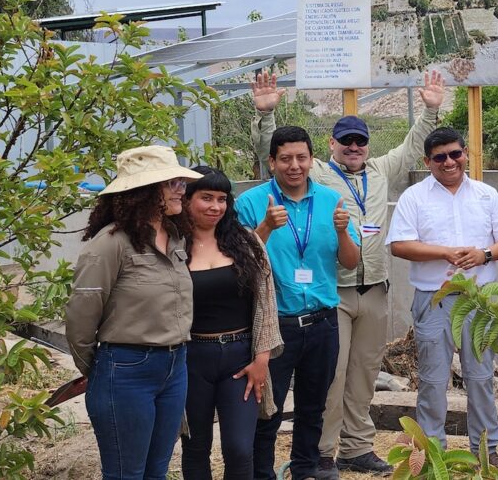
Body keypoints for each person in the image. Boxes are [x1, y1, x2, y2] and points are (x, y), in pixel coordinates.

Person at [250, 70, 445, 476]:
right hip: (332, 293)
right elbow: (281, 159)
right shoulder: (318, 173)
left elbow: (412, 147)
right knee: (331, 380)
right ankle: (321, 452)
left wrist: (430, 108)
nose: (354, 147)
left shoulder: (380, 171)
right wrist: (266, 115)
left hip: (374, 289)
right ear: (332, 144)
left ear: (367, 145)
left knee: (365, 375)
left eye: (360, 141)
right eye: (346, 141)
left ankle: (357, 448)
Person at [386, 127, 498, 473]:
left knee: (480, 379)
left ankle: (487, 453)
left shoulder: (486, 195)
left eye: (455, 154)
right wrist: (444, 253)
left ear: (465, 154)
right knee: (432, 380)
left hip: (477, 302)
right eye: (440, 157)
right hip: (434, 300)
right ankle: (432, 456)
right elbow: (399, 245)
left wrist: (484, 255)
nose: (449, 162)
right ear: (427, 161)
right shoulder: (414, 198)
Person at [66, 146, 203, 479]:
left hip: (175, 368)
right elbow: (81, 318)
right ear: (144, 190)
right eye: (171, 183)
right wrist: (98, 369)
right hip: (126, 371)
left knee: (156, 471)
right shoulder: (110, 244)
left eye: (181, 182)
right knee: (127, 473)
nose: (181, 190)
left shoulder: (175, 237)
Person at [234, 126, 361, 480]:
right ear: (271, 161)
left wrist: (340, 231)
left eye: (301, 158)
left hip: (323, 322)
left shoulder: (331, 200)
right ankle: (262, 473)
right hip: (274, 324)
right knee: (267, 409)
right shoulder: (250, 203)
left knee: (313, 405)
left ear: (311, 160)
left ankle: (305, 469)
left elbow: (350, 262)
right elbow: (236, 264)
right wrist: (265, 229)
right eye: (285, 159)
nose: (294, 166)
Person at [180, 166, 284, 480]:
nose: (215, 206)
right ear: (186, 200)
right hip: (192, 357)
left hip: (241, 359)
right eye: (206, 197)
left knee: (240, 448)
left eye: (222, 199)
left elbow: (267, 303)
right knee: (195, 445)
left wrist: (262, 358)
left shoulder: (247, 243)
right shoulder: (171, 246)